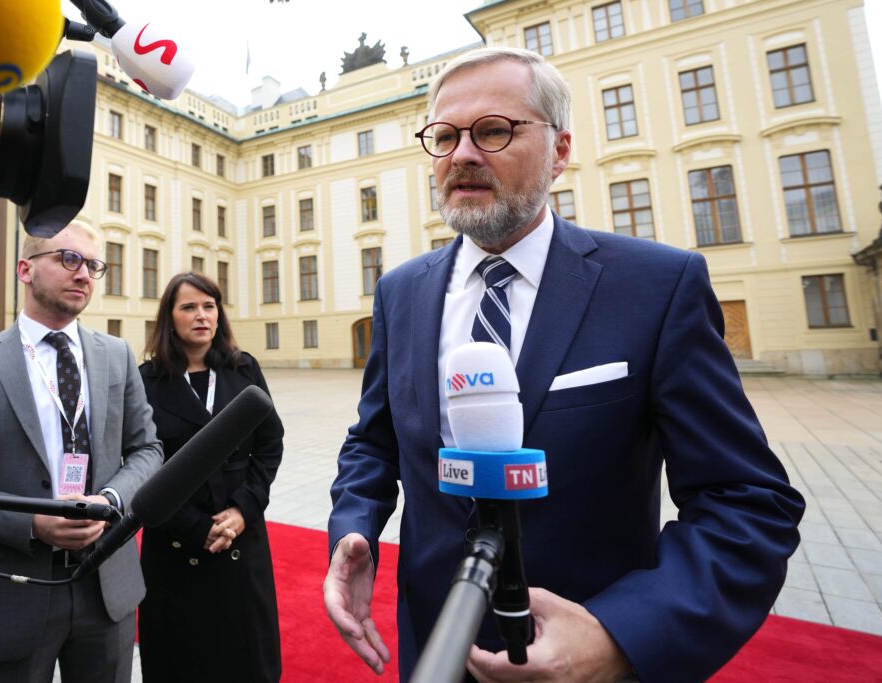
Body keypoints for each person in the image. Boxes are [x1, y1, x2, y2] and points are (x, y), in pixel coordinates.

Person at [324, 47, 805, 683]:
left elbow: (747, 503)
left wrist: (621, 635)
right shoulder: (401, 291)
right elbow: (375, 441)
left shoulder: (656, 286)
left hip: (586, 661)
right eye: (442, 137)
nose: (461, 153)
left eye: (494, 130)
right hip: (434, 648)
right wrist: (352, 530)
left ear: (560, 150)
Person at [0, 221, 162, 682]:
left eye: (93, 265)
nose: (84, 273)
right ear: (26, 270)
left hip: (106, 588)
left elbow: (147, 450)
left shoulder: (117, 355)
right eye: (69, 259)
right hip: (14, 589)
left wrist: (109, 502)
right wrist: (30, 522)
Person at [137, 271, 284, 682]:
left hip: (241, 534)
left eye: (209, 306)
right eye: (189, 307)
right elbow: (140, 461)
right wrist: (194, 526)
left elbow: (270, 444)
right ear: (170, 318)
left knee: (247, 657)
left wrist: (243, 509)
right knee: (181, 658)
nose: (201, 315)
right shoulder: (147, 380)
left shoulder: (243, 369)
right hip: (175, 540)